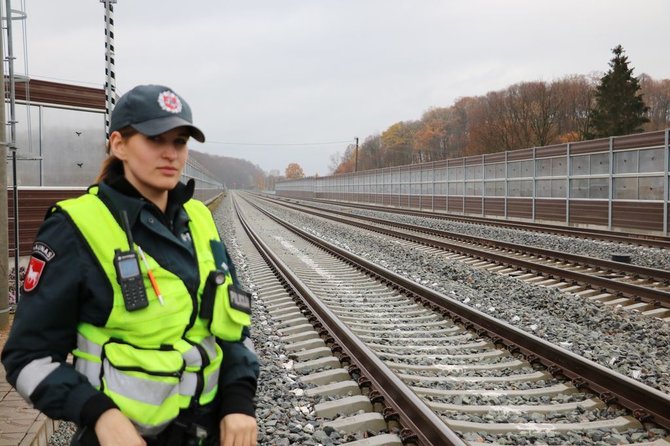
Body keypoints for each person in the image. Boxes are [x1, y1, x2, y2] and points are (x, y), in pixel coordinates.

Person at [1, 84, 259, 446]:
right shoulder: (75, 228)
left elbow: (229, 329)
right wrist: (101, 415)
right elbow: (26, 358)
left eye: (180, 142)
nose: (171, 154)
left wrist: (239, 402)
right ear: (119, 144)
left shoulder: (199, 220)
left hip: (207, 432)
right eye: (156, 139)